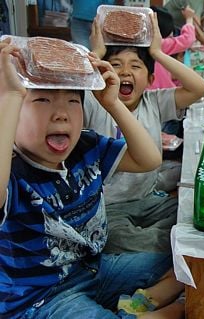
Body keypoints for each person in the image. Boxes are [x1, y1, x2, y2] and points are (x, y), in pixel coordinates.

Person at [0, 37, 185, 318]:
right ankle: (162, 311)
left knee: (185, 262)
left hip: (93, 270)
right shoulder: (10, 171)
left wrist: (112, 104)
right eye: (42, 100)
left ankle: (142, 303)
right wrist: (11, 95)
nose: (62, 114)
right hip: (42, 299)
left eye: (73, 101)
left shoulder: (86, 146)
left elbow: (150, 160)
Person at [87, 13, 204, 254]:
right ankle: (171, 250)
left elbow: (200, 88)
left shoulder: (153, 101)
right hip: (109, 206)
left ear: (151, 79)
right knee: (118, 239)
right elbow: (75, 84)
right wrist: (97, 54)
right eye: (116, 65)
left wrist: (158, 53)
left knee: (192, 215)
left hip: (149, 199)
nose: (124, 72)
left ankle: (167, 247)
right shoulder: (93, 101)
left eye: (135, 66)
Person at [148, 5, 196, 90]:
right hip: (162, 94)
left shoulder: (142, 44)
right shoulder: (158, 44)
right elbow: (188, 39)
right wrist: (189, 19)